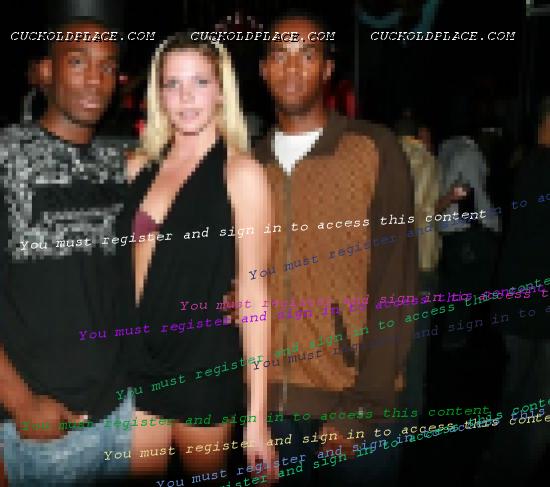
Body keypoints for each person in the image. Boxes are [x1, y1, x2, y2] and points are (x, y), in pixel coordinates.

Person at [255, 10, 418, 486]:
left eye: (307, 55)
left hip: (354, 402)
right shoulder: (248, 165)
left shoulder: (372, 148)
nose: (292, 67)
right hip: (268, 408)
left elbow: (396, 284)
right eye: (280, 55)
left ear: (327, 69)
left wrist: (363, 406)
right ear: (263, 69)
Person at [117, 32, 276, 480]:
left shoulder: (242, 174)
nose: (186, 97)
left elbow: (254, 296)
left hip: (204, 367)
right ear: (159, 93)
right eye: (173, 84)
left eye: (200, 82)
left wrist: (257, 419)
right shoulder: (138, 168)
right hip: (137, 363)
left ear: (221, 91)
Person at [0, 18, 133, 486]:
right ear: (44, 72)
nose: (95, 79)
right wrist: (20, 402)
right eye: (78, 62)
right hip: (45, 428)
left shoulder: (115, 165)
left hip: (121, 414)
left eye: (107, 66)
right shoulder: (7, 157)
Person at [474, 96, 550, 485]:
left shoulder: (526, 166)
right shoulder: (534, 166)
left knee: (517, 391)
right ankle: (509, 471)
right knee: (538, 403)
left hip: (517, 301)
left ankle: (496, 466)